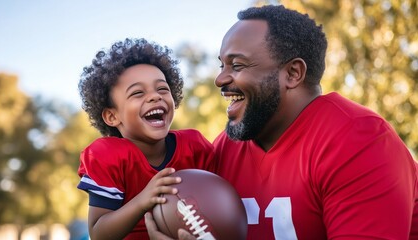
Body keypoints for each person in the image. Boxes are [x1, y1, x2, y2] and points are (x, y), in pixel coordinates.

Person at [145, 4, 418, 240]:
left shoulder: (358, 139)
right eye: (222, 66)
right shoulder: (226, 148)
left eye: (237, 65)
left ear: (293, 73)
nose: (220, 80)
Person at [76, 38, 216, 240]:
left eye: (162, 89)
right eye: (138, 93)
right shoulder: (107, 156)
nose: (154, 96)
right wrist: (143, 200)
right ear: (112, 116)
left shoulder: (194, 146)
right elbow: (98, 233)